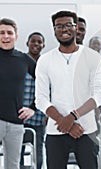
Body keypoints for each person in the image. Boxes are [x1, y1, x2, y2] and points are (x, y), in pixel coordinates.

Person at [35, 10, 101, 169]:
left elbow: (99, 95)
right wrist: (63, 121)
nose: (64, 29)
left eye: (68, 25)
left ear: (76, 28)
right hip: (56, 130)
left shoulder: (93, 57)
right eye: (58, 26)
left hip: (86, 130)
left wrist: (74, 116)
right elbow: (41, 99)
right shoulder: (45, 60)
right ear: (54, 30)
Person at [0, 18, 36, 169]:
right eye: (1, 33)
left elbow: (45, 83)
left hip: (16, 123)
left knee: (13, 165)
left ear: (16, 36)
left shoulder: (24, 60)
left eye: (9, 33)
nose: (5, 36)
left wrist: (33, 107)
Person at [20, 32, 46, 169]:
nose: (36, 44)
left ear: (43, 45)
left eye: (39, 42)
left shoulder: (45, 65)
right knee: (18, 153)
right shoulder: (20, 63)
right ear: (27, 43)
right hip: (20, 116)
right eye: (33, 41)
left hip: (39, 118)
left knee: (38, 154)